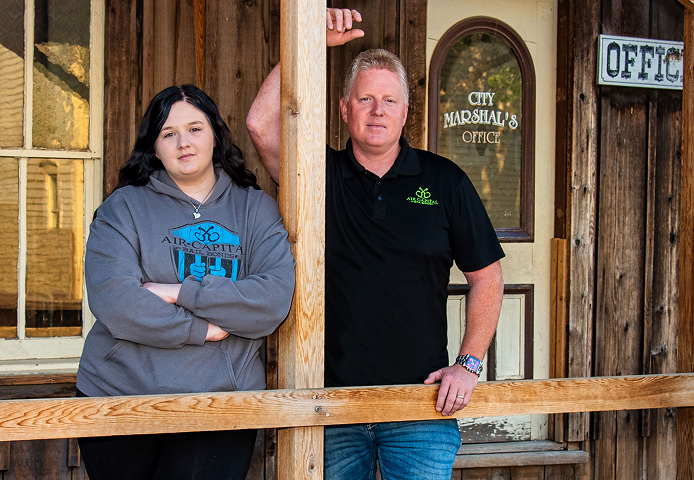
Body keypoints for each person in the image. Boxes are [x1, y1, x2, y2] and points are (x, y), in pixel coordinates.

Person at [246, 9, 505, 480]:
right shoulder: (318, 175)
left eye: (389, 100)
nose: (377, 110)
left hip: (421, 405)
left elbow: (487, 277)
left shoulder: (445, 182)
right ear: (345, 109)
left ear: (405, 112)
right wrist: (310, 41)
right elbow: (261, 125)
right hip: (332, 405)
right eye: (365, 98)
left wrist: (468, 365)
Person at [76, 84, 295, 480]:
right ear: (154, 148)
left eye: (195, 128)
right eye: (168, 133)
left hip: (221, 401)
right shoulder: (122, 209)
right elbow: (116, 301)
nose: (183, 143)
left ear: (215, 135)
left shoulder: (254, 208)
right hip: (120, 396)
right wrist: (202, 329)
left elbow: (272, 299)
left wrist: (179, 292)